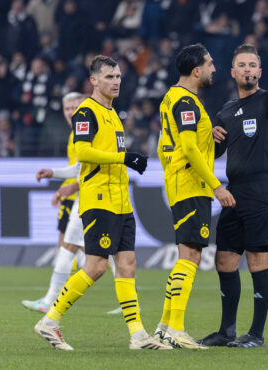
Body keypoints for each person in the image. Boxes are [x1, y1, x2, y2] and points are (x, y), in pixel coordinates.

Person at [34, 55, 170, 351]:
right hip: (98, 200)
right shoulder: (87, 111)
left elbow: (106, 154)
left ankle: (137, 335)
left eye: (119, 76)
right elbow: (83, 152)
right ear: (94, 81)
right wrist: (124, 157)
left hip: (121, 202)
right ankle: (50, 321)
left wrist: (126, 159)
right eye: (109, 77)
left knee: (127, 264)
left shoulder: (113, 114)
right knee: (95, 267)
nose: (116, 81)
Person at [199, 25, 268, 348]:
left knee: (258, 261)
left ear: (260, 71)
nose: (247, 70)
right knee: (224, 262)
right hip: (234, 193)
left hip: (260, 191)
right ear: (233, 72)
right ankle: (227, 330)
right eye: (242, 65)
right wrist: (213, 141)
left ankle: (256, 334)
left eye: (252, 65)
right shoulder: (226, 112)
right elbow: (216, 153)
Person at [153, 43, 236, 349]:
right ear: (197, 70)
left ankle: (164, 326)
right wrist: (216, 184)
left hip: (179, 182)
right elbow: (187, 148)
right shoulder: (187, 102)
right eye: (211, 64)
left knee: (185, 256)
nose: (214, 68)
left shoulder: (172, 99)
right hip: (191, 185)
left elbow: (169, 145)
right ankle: (175, 328)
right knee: (190, 255)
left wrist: (207, 135)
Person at [22, 92, 86, 313]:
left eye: (75, 107)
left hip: (91, 195)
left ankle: (52, 300)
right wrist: (55, 175)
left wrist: (72, 186)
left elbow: (94, 168)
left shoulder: (85, 130)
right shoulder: (75, 133)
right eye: (67, 109)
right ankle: (52, 299)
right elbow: (79, 168)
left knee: (71, 247)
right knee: (83, 249)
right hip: (82, 193)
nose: (71, 112)